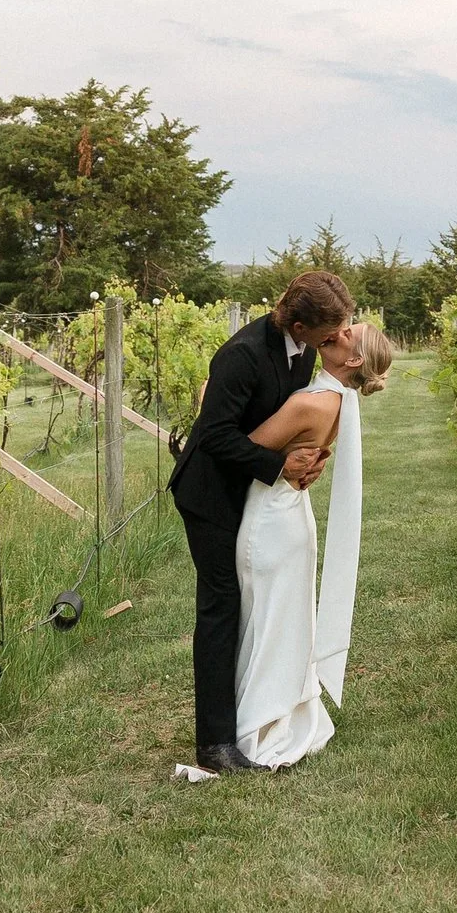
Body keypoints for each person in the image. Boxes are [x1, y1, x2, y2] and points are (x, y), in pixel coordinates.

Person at [168, 271, 351, 774]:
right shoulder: (242, 354)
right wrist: (277, 468)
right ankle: (214, 744)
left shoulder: (304, 350)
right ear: (298, 323)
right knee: (221, 607)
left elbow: (274, 423)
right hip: (209, 495)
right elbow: (216, 436)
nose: (335, 341)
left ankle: (253, 712)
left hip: (250, 494)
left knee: (250, 604)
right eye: (329, 334)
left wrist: (302, 460)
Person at [230, 321, 394, 768]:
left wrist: (212, 397)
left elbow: (240, 449)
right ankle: (275, 710)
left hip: (271, 521)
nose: (336, 332)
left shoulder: (309, 402)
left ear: (354, 359)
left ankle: (259, 724)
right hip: (291, 519)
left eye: (347, 334)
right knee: (280, 618)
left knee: (265, 619)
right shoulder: (338, 402)